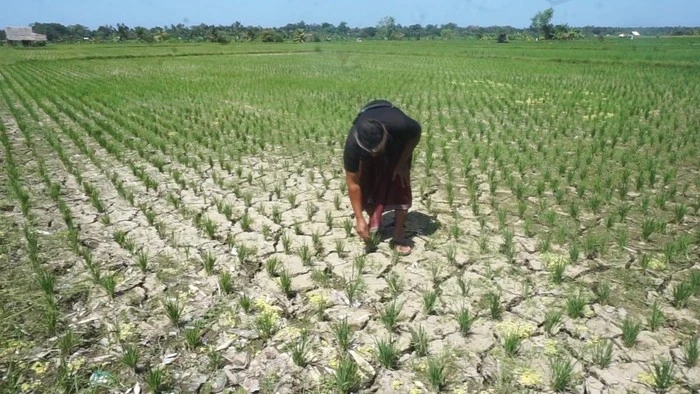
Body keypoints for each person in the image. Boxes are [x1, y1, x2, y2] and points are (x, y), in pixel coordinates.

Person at [342, 99, 422, 255]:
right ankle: (374, 221)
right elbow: (353, 184)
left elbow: (416, 134)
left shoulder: (401, 126)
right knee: (368, 185)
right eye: (371, 153)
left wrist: (402, 164)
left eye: (377, 151)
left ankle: (398, 234)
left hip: (397, 146)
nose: (375, 155)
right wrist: (359, 218)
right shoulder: (352, 146)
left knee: (400, 184)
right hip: (369, 128)